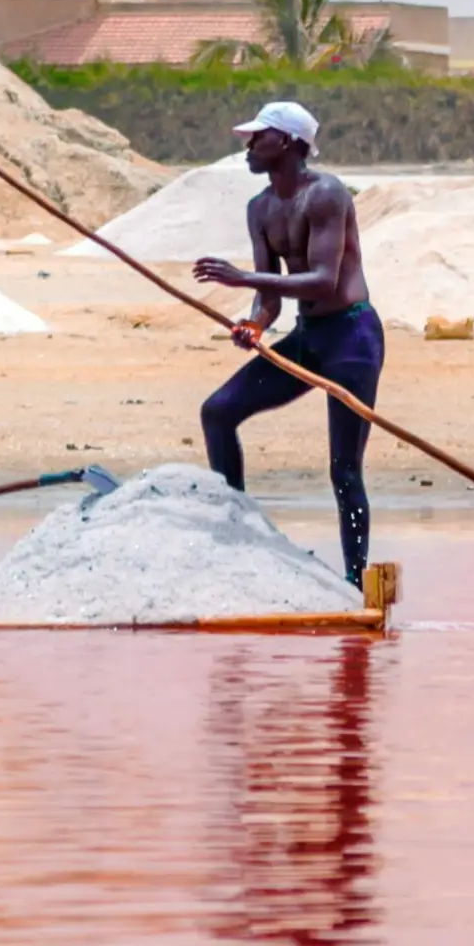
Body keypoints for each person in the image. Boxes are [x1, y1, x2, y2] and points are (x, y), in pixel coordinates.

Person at [191, 102, 383, 586]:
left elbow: (323, 280)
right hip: (309, 337)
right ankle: (235, 531)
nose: (249, 146)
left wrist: (238, 277)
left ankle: (355, 583)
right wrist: (255, 324)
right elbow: (270, 294)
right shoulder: (259, 208)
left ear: (291, 143)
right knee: (217, 411)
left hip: (353, 337)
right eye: (250, 138)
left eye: (260, 137)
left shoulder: (327, 195)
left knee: (344, 469)